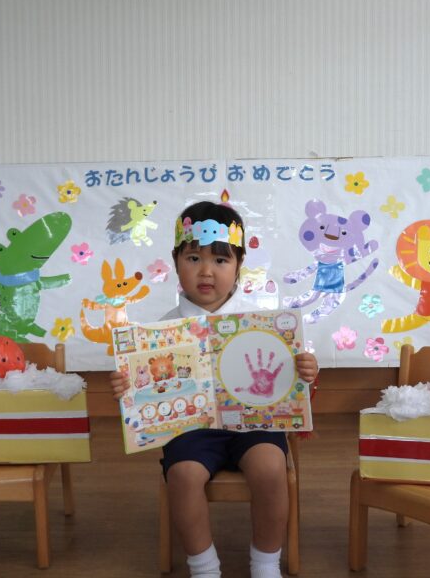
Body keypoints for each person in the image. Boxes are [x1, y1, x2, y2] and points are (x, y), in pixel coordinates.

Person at [110, 200, 319, 578]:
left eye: (220, 260)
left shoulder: (263, 322)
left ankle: (265, 563)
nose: (206, 271)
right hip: (192, 430)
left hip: (254, 423)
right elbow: (145, 392)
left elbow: (291, 381)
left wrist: (305, 370)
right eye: (193, 258)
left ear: (239, 266)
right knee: (183, 475)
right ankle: (204, 567)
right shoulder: (161, 331)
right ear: (176, 262)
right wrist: (128, 385)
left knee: (271, 469)